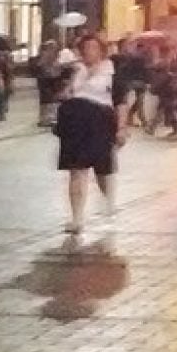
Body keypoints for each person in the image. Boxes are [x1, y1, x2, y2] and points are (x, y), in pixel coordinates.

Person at [57, 34, 122, 234]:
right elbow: (64, 92)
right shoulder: (77, 70)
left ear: (102, 51)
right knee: (76, 170)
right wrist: (66, 90)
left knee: (102, 170)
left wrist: (122, 128)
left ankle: (109, 202)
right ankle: (77, 219)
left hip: (100, 122)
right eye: (85, 48)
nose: (88, 51)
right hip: (75, 122)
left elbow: (121, 102)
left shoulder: (112, 71)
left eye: (93, 47)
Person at [31, 40, 72, 127]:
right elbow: (41, 68)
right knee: (47, 98)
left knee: (53, 98)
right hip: (46, 81)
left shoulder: (56, 57)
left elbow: (58, 68)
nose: (53, 50)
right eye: (51, 47)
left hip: (53, 80)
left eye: (54, 48)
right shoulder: (43, 57)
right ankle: (46, 118)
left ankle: (51, 117)